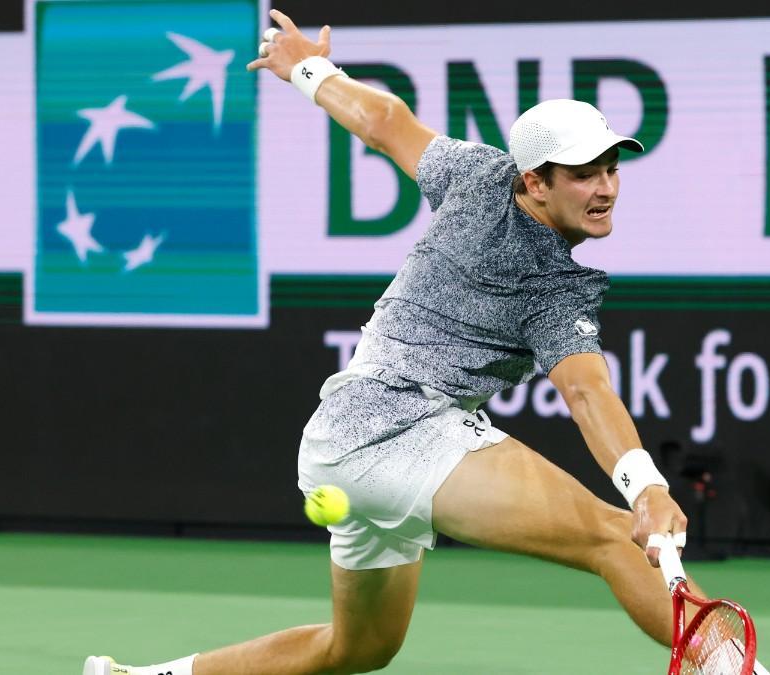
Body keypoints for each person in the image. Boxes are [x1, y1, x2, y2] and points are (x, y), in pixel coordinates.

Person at [85, 10, 735, 674]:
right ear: (535, 180)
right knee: (613, 537)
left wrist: (308, 69)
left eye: (609, 168)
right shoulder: (550, 280)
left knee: (359, 646)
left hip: (338, 436)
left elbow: (385, 121)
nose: (604, 188)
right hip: (403, 426)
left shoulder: (477, 173)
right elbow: (585, 389)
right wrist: (645, 487)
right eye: (581, 173)